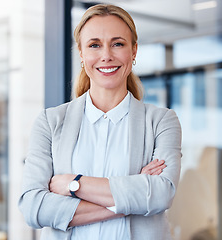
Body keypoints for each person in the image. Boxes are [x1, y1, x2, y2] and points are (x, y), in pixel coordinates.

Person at [19, 4, 182, 240]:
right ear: (81, 53)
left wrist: (73, 184)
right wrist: (131, 195)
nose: (106, 55)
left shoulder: (161, 122)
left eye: (118, 44)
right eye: (94, 45)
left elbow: (160, 194)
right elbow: (34, 208)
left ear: (134, 51)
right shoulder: (50, 122)